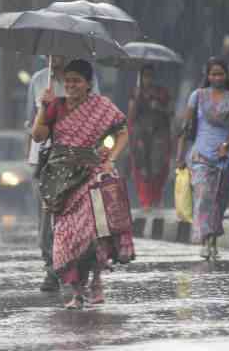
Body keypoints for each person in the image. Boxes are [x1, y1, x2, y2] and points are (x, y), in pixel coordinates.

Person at [31, 59, 134, 309]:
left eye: (77, 81)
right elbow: (37, 136)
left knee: (93, 234)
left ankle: (97, 281)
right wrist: (43, 109)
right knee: (66, 237)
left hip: (91, 176)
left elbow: (123, 132)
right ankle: (76, 292)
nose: (71, 85)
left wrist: (111, 160)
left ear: (89, 84)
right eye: (67, 81)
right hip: (61, 181)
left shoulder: (102, 107)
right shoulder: (55, 105)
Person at [24, 55, 100, 292]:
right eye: (50, 53)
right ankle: (51, 268)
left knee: (79, 217)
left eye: (59, 53)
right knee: (47, 219)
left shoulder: (84, 80)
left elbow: (100, 117)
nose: (54, 57)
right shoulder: (38, 81)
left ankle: (80, 267)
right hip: (45, 160)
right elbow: (32, 127)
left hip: (80, 160)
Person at [176, 57, 229, 260]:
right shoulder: (196, 96)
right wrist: (180, 156)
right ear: (207, 76)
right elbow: (186, 128)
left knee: (218, 200)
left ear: (227, 76)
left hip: (226, 158)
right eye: (213, 74)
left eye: (220, 73)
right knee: (203, 197)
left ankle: (213, 240)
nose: (217, 77)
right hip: (200, 156)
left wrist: (228, 144)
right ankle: (205, 240)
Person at [127, 65, 172, 210]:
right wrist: (137, 98)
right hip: (141, 135)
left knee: (157, 168)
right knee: (142, 169)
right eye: (144, 76)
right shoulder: (135, 92)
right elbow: (131, 116)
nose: (148, 79)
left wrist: (158, 107)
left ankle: (156, 199)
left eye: (150, 76)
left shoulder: (162, 93)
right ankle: (145, 201)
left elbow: (171, 112)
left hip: (158, 135)